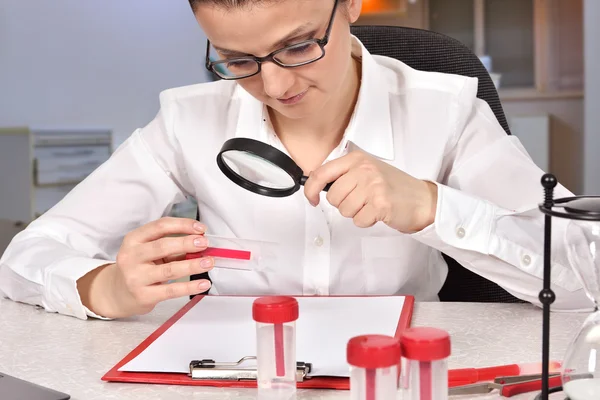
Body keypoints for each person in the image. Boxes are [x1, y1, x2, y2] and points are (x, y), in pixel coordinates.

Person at [0, 0, 593, 320]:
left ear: (351, 5)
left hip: (392, 376)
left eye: (299, 45)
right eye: (238, 61)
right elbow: (24, 255)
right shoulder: (187, 119)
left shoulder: (448, 111)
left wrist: (432, 206)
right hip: (232, 374)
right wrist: (104, 287)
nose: (277, 84)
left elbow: (587, 272)